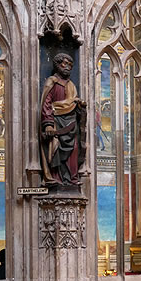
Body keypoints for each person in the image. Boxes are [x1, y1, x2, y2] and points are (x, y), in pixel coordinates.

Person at [40, 52, 88, 187]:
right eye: (65, 63)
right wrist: (48, 124)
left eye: (70, 65)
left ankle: (71, 180)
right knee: (56, 149)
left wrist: (80, 106)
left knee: (74, 149)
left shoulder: (71, 85)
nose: (68, 67)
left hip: (71, 123)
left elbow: (72, 103)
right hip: (56, 122)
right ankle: (57, 179)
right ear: (57, 64)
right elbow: (46, 104)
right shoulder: (52, 82)